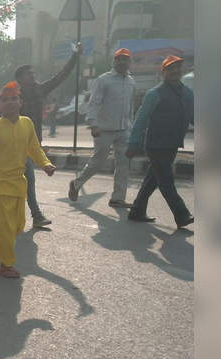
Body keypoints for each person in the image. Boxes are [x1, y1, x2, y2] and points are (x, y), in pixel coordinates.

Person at [0, 82, 56, 278]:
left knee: (17, 226)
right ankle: (6, 265)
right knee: (7, 227)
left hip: (19, 183)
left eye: (13, 99)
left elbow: (34, 148)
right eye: (5, 100)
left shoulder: (27, 123)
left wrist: (45, 164)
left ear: (20, 102)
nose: (9, 103)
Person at [14, 42, 81, 228]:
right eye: (30, 74)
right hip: (14, 145)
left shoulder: (39, 90)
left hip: (33, 143)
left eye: (34, 74)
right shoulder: (12, 96)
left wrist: (74, 56)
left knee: (26, 179)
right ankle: (32, 215)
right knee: (26, 179)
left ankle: (26, 215)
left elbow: (60, 77)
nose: (34, 76)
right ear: (20, 78)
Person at [126, 55, 194, 228]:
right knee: (166, 180)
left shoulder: (188, 93)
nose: (174, 71)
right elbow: (141, 119)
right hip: (155, 144)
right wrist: (133, 143)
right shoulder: (154, 94)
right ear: (163, 72)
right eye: (170, 69)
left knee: (153, 178)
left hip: (173, 144)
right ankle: (182, 214)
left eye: (177, 68)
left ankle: (137, 210)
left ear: (182, 70)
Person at [68, 48, 137, 207]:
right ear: (114, 61)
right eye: (119, 59)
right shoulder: (103, 80)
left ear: (129, 62)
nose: (122, 62)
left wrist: (131, 128)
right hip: (103, 129)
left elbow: (131, 107)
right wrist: (93, 124)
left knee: (123, 164)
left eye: (125, 59)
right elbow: (94, 103)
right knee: (98, 162)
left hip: (123, 130)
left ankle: (118, 198)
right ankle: (76, 184)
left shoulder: (131, 81)